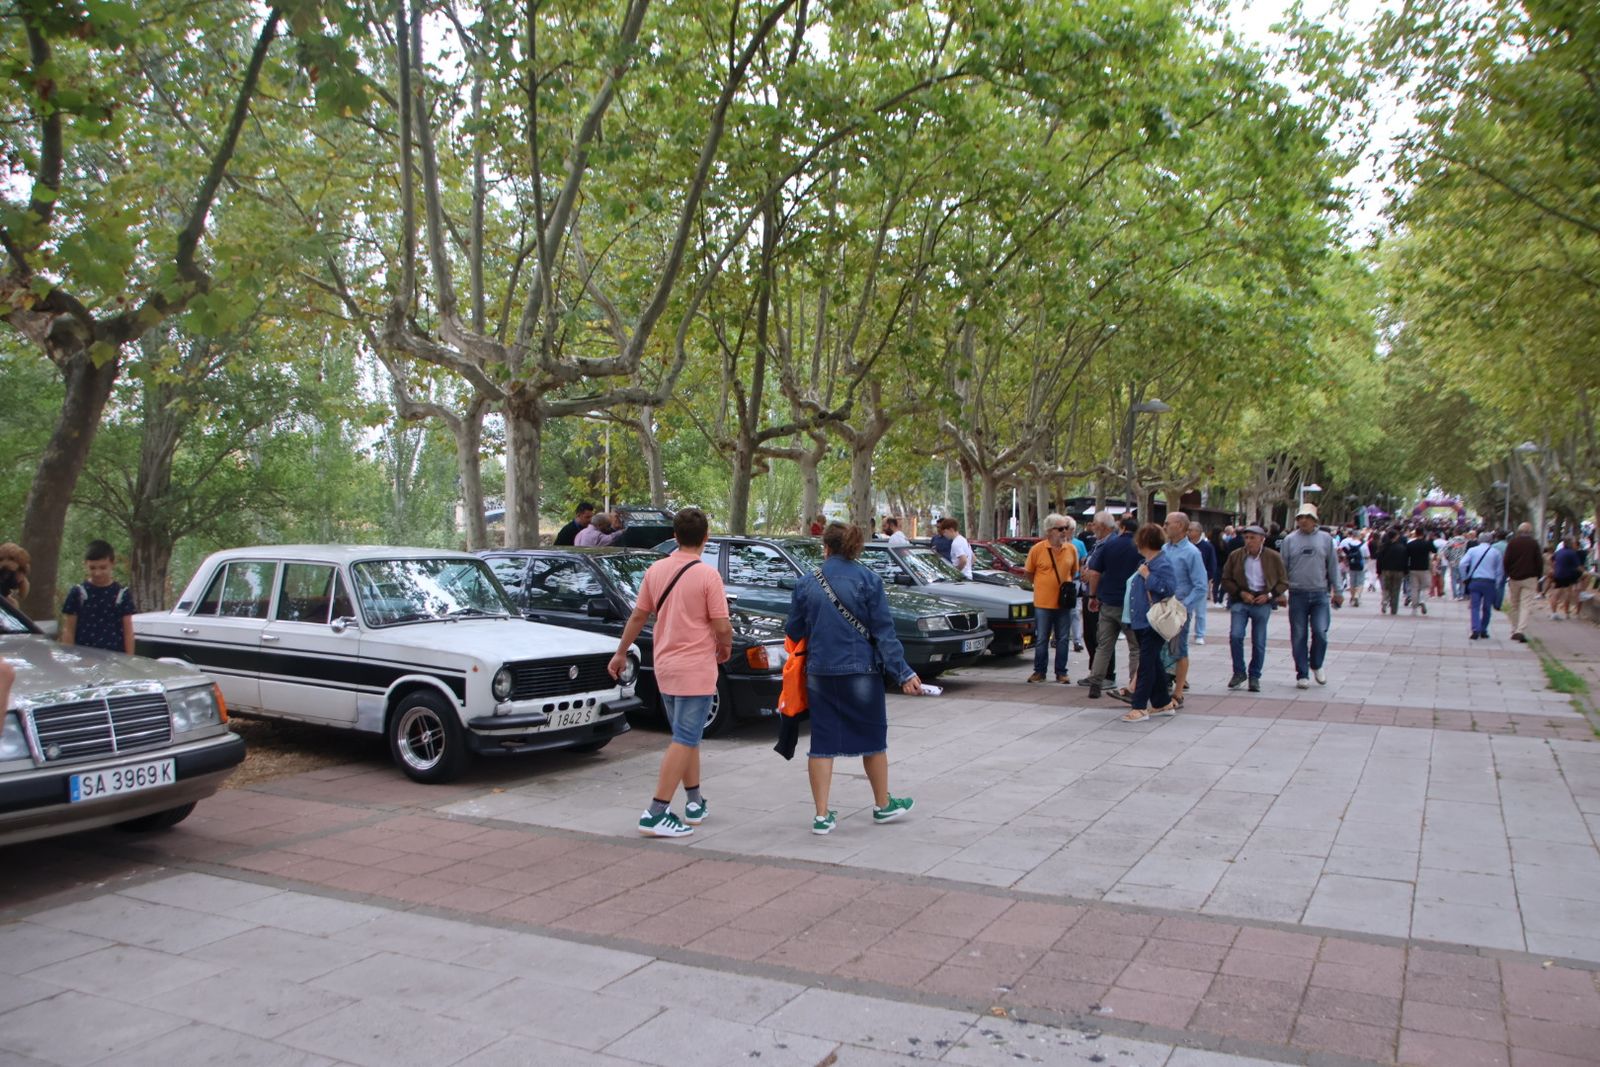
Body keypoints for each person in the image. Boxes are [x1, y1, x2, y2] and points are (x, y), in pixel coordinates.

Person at [785, 522, 920, 834]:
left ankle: (821, 816)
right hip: (862, 671)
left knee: (822, 742)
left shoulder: (807, 583)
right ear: (856, 549)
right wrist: (903, 673)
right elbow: (884, 633)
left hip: (819, 671)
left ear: (826, 547)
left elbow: (794, 630)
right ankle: (882, 805)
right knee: (873, 740)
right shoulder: (869, 580)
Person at [609, 508, 732, 838]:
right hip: (696, 668)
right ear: (706, 538)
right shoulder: (708, 576)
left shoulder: (656, 570)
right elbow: (722, 624)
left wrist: (621, 652)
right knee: (685, 738)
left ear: (675, 537)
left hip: (665, 665)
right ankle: (656, 812)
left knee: (686, 735)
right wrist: (725, 647)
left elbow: (638, 617)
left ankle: (694, 802)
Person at [1120, 523, 1179, 723]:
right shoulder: (1148, 561)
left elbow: (1168, 588)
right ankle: (1162, 702)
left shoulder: (1161, 563)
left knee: (1146, 663)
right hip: (1141, 620)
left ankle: (1139, 706)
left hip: (1153, 621)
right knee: (1153, 662)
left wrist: (1148, 576)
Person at [1280, 504, 1342, 689]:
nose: (1303, 521)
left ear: (1315, 520)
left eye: (1307, 517)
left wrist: (1338, 591)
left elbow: (1333, 566)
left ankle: (1316, 663)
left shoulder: (1325, 539)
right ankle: (1302, 672)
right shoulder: (1289, 540)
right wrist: (1280, 592)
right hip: (1297, 593)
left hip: (1320, 593)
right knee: (1298, 634)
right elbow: (1282, 568)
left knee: (1320, 631)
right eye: (1300, 517)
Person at [1220, 525, 1288, 691]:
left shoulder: (1273, 557)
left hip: (1262, 601)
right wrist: (1240, 593)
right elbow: (1226, 578)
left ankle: (1255, 675)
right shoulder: (1236, 556)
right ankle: (1239, 672)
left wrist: (1270, 595)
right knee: (1236, 636)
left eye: (1252, 538)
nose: (1249, 542)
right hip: (1241, 600)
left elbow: (1284, 581)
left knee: (1259, 641)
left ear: (1262, 539)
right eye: (1246, 538)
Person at [1085, 514, 1142, 700]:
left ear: (1122, 527)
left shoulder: (1109, 545)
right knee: (1135, 648)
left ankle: (1095, 682)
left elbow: (1094, 572)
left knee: (1104, 646)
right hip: (1131, 604)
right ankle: (1135, 684)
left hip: (1108, 602)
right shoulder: (1140, 547)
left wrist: (1093, 596)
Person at [1024, 514, 1079, 684]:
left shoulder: (1071, 549)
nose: (1064, 532)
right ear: (1049, 531)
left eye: (1066, 528)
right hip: (1043, 602)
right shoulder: (1038, 549)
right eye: (1060, 528)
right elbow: (1029, 573)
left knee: (1063, 638)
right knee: (1041, 638)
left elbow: (1074, 571)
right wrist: (1042, 586)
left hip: (1064, 603)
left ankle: (1061, 672)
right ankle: (1039, 671)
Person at [1162, 512, 1208, 703]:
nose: (1164, 527)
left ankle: (1179, 691)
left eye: (1167, 523)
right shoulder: (1165, 549)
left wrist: (1183, 606)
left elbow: (1201, 586)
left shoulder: (1191, 552)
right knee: (1162, 649)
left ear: (1180, 526)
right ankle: (1163, 683)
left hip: (1179, 610)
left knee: (1179, 649)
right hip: (1162, 609)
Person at [60, 540, 137, 655]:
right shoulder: (78, 593)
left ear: (112, 564)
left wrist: (129, 660)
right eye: (92, 568)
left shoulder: (122, 594)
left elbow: (128, 632)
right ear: (85, 564)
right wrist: (69, 657)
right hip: (83, 658)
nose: (97, 573)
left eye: (102, 567)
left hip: (114, 659)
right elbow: (69, 630)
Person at [1457, 530, 1504, 639]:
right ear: (1491, 540)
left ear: (1479, 540)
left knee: (1475, 607)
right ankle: (1484, 629)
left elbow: (1462, 564)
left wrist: (1465, 577)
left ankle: (1475, 629)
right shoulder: (1495, 552)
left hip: (1476, 581)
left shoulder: (1472, 550)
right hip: (1489, 582)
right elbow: (1499, 570)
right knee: (1487, 607)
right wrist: (1497, 583)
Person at [1502, 523, 1544, 642]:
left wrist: (1508, 573)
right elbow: (1539, 561)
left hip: (1514, 577)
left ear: (1518, 531)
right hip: (1530, 578)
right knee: (1526, 605)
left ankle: (1514, 628)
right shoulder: (1534, 544)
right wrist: (1539, 576)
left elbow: (1506, 560)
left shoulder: (1512, 543)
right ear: (1530, 532)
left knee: (1514, 604)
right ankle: (1520, 630)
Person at [1186, 523, 1217, 644]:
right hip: (1187, 583)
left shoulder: (1207, 546)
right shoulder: (1185, 546)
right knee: (1185, 610)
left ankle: (1199, 634)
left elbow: (1211, 564)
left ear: (1199, 532)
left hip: (1200, 582)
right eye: (1188, 530)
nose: (1189, 533)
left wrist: (1208, 578)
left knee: (1200, 611)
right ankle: (1185, 631)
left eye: (1191, 530)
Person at [1064, 516, 1089, 652]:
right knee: (1059, 610)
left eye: (1067, 528)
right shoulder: (1056, 544)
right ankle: (1058, 637)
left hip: (1074, 581)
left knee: (1074, 611)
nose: (1065, 531)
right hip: (1061, 582)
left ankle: (1077, 640)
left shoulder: (1078, 544)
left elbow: (1083, 562)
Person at [1376, 528, 1408, 615]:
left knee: (1386, 588)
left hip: (1386, 570)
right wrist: (1406, 571)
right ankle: (1394, 609)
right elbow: (1405, 560)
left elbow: (1379, 560)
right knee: (1396, 590)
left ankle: (1385, 601)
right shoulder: (1402, 548)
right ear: (1396, 537)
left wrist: (1378, 571)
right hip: (1398, 571)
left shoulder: (1383, 547)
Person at [1405, 527, 1436, 615]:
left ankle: (1414, 607)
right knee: (1424, 586)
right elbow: (1435, 550)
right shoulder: (1427, 543)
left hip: (1413, 568)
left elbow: (1406, 556)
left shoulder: (1410, 544)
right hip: (1424, 568)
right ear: (1423, 534)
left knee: (1414, 588)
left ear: (1416, 534)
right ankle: (1422, 600)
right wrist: (1430, 540)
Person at [1552, 537, 1584, 619]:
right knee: (1568, 592)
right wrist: (1584, 572)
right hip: (1568, 575)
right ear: (1571, 544)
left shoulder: (1558, 552)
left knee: (1556, 593)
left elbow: (1552, 560)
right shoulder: (1572, 553)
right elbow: (1578, 566)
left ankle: (1554, 613)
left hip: (1558, 574)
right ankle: (1566, 613)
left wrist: (1555, 568)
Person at [1338, 529, 1366, 608]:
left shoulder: (1345, 542)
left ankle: (1353, 597)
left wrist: (1345, 560)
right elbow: (1367, 555)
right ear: (1359, 536)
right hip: (1361, 565)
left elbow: (1340, 551)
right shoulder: (1363, 544)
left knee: (1352, 581)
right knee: (1360, 582)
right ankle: (1357, 595)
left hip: (1350, 564)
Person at [0, 542, 30, 609]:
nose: (5, 564)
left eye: (11, 559)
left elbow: (23, 590)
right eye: (1, 559)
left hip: (4, 595)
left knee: (13, 604)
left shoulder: (18, 574)